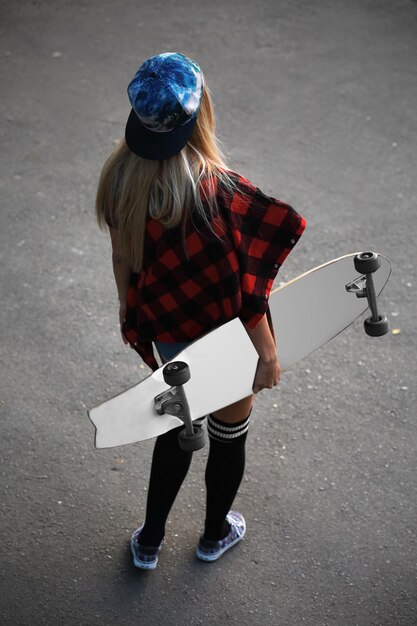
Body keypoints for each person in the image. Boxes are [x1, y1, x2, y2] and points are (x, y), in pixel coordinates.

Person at [96, 52, 307, 569]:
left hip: (170, 336)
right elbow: (247, 295)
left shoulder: (120, 178)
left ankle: (149, 543)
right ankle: (214, 536)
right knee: (228, 437)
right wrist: (269, 355)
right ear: (201, 114)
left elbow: (123, 259)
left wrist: (131, 311)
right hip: (229, 343)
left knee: (175, 431)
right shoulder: (223, 193)